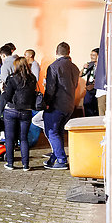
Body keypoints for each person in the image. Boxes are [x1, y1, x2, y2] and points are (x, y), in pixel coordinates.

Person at [43, 42, 80, 170]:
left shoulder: (53, 67)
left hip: (56, 105)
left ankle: (61, 160)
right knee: (58, 132)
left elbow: (50, 88)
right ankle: (54, 158)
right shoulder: (75, 67)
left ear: (56, 52)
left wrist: (46, 103)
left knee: (52, 132)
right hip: (69, 104)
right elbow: (75, 85)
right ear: (68, 52)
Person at [0, 57, 37, 171]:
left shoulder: (12, 78)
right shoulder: (32, 79)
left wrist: (2, 90)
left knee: (9, 138)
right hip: (26, 111)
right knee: (23, 138)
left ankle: (10, 163)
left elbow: (7, 96)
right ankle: (26, 165)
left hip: (11, 110)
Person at [81, 48, 99, 117]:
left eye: (93, 55)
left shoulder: (102, 66)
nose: (91, 57)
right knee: (87, 106)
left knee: (96, 109)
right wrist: (84, 68)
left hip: (98, 90)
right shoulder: (90, 65)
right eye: (91, 55)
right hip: (89, 90)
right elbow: (80, 75)